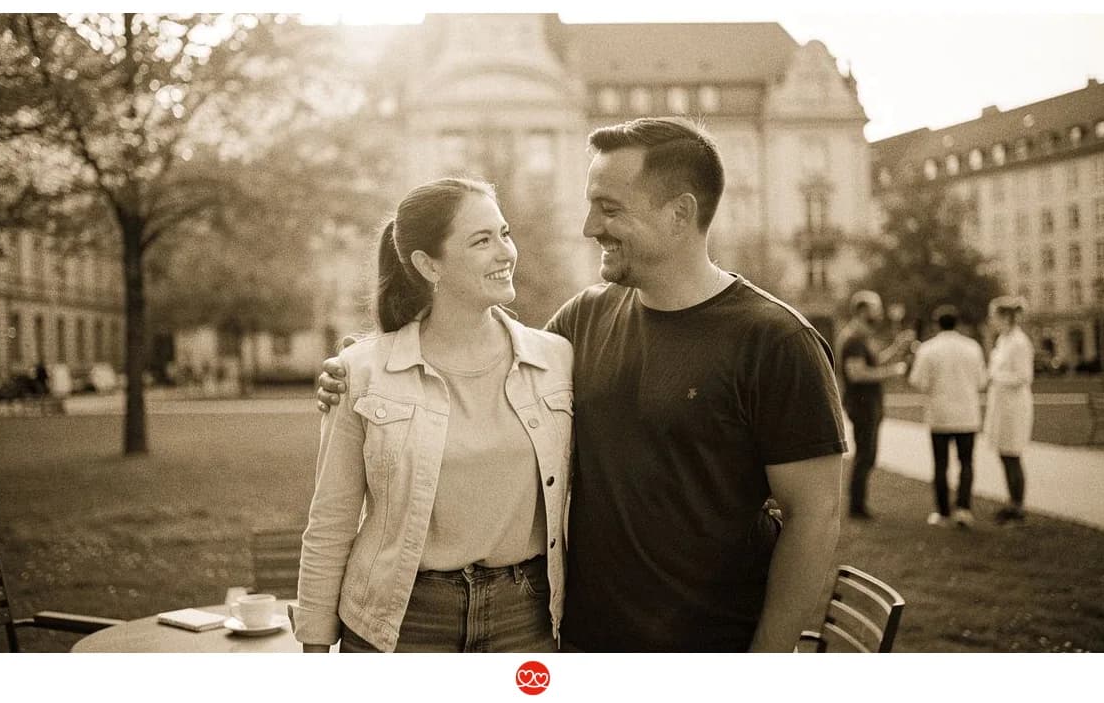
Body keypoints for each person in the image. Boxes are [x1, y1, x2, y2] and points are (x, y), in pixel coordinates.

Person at [318, 117, 846, 653]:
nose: (590, 226)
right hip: (581, 638)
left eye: (609, 208)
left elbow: (814, 517)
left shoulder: (777, 343)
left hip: (710, 643)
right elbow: (483, 372)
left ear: (680, 213)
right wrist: (362, 370)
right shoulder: (585, 319)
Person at [290, 178, 574, 653]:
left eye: (504, 233)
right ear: (428, 265)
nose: (506, 251)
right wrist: (316, 645)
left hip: (524, 617)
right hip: (400, 621)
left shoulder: (557, 361)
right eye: (482, 240)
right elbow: (331, 519)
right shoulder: (361, 372)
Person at [835, 291, 914, 520]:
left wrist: (897, 348)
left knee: (869, 454)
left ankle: (859, 506)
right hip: (861, 405)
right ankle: (856, 508)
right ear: (862, 311)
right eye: (875, 308)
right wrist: (894, 372)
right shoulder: (852, 339)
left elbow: (874, 361)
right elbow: (857, 374)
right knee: (865, 455)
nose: (879, 313)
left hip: (870, 404)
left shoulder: (862, 336)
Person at [907, 305, 988, 527]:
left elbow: (918, 382)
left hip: (940, 414)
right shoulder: (972, 347)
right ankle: (963, 508)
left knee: (941, 464)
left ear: (936, 324)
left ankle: (943, 512)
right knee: (966, 463)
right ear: (958, 323)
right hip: (967, 413)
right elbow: (982, 381)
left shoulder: (928, 349)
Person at [982, 295, 1034, 526]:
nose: (991, 321)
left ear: (1004, 316)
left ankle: (1018, 506)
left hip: (1014, 406)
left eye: (994, 316)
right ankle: (1012, 502)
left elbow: (1023, 376)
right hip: (1002, 404)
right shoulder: (1003, 340)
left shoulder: (1019, 342)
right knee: (1004, 454)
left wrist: (996, 377)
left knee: (1013, 454)